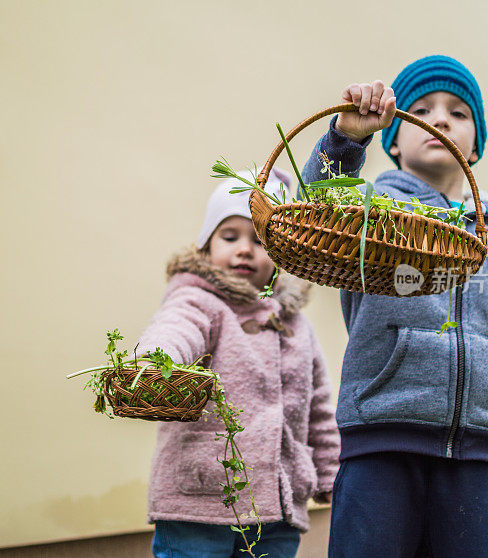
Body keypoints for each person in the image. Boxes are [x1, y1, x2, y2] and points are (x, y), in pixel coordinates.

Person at [299, 55, 488, 557]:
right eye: (422, 108)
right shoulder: (373, 213)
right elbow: (316, 209)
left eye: (458, 112)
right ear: (394, 139)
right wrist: (346, 138)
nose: (439, 118)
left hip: (479, 456)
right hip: (381, 443)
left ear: (476, 144)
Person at [137, 167, 340, 558]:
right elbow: (177, 329)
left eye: (261, 241)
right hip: (199, 501)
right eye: (230, 237)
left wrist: (330, 471)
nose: (244, 249)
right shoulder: (199, 301)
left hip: (277, 509)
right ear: (206, 247)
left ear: (284, 255)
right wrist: (158, 359)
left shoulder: (296, 326)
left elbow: (316, 409)